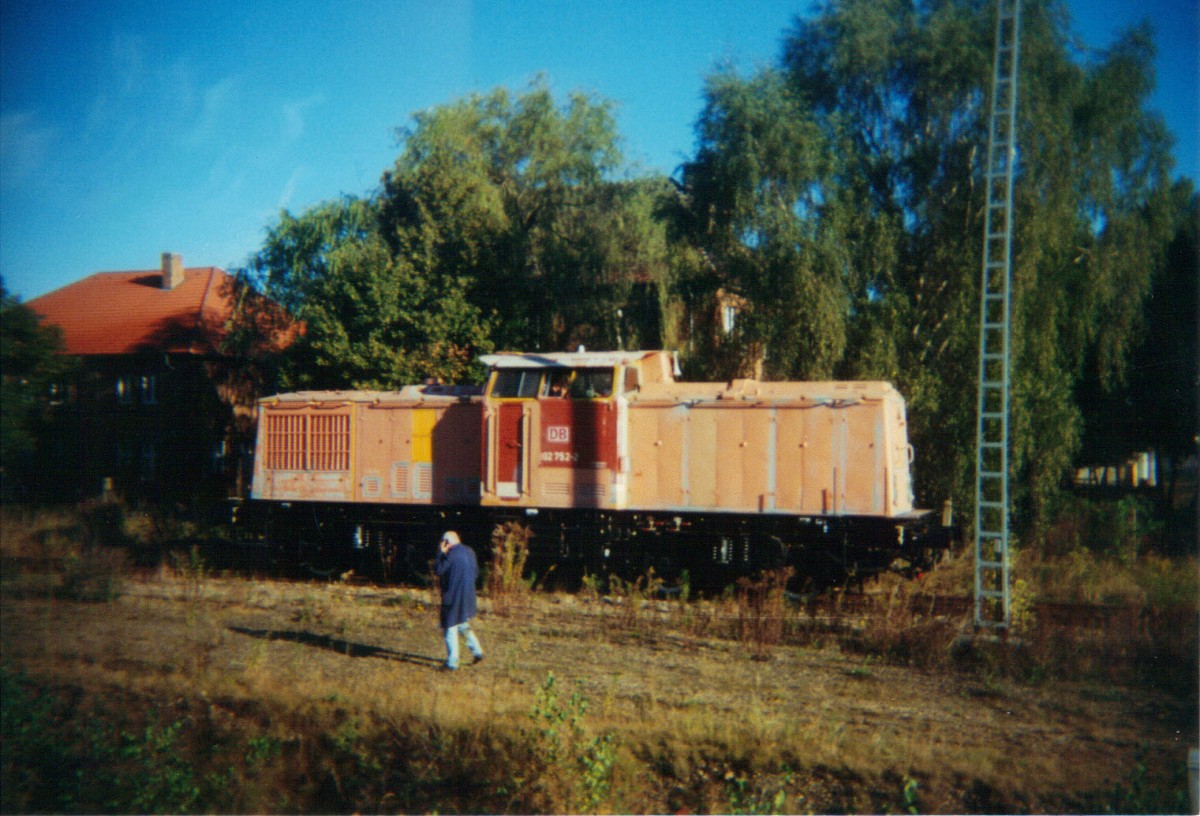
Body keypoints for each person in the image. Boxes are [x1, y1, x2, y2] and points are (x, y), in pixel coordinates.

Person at [434, 530, 484, 671]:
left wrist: (440, 553)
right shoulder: (469, 551)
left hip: (453, 595)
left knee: (450, 627)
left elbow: (438, 570)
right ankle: (477, 651)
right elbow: (476, 573)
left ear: (446, 542)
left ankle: (452, 663)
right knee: (462, 623)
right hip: (468, 595)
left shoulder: (450, 555)